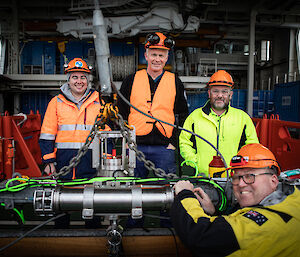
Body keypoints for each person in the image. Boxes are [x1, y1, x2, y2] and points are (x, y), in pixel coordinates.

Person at [171, 143, 300, 257]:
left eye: (250, 176)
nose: (241, 184)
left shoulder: (263, 224)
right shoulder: (292, 197)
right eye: (236, 177)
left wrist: (185, 194)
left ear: (273, 180)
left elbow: (200, 236)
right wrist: (213, 213)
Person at [39, 58, 109, 228]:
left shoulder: (99, 102)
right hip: (63, 164)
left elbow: (107, 133)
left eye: (83, 77)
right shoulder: (56, 103)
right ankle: (61, 239)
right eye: (75, 77)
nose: (79, 81)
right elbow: (47, 134)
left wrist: (106, 159)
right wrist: (49, 161)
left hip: (91, 164)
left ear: (88, 80)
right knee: (60, 206)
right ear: (68, 79)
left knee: (91, 205)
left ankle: (93, 238)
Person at [118, 32, 189, 178]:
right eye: (154, 55)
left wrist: (173, 143)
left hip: (164, 147)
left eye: (161, 55)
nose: (157, 59)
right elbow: (121, 113)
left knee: (166, 190)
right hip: (135, 146)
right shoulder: (130, 80)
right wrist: (126, 140)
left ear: (166, 57)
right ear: (146, 55)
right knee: (132, 190)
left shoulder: (175, 82)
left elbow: (182, 115)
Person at [179, 70, 259, 177]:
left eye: (224, 91)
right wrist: (195, 162)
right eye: (215, 91)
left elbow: (252, 146)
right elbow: (184, 142)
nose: (220, 95)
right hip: (203, 176)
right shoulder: (195, 117)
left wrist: (240, 166)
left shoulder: (242, 118)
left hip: (233, 177)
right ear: (209, 93)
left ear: (230, 95)